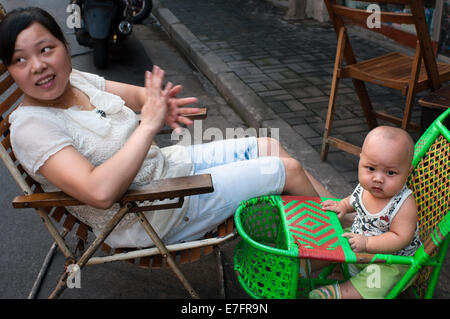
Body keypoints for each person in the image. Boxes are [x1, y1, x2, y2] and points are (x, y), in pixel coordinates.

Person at [0, 7, 333, 249]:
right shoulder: (32, 128)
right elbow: (99, 193)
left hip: (170, 171)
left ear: (65, 46)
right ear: (11, 70)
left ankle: (350, 219)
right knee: (285, 170)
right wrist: (148, 126)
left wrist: (160, 103)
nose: (39, 66)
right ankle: (334, 256)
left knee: (267, 146)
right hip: (151, 211)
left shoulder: (77, 80)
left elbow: (136, 95)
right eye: (20, 60)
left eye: (46, 49)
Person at [309, 126, 422, 299]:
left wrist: (368, 243)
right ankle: (306, 266)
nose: (378, 178)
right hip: (358, 243)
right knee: (333, 239)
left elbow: (400, 237)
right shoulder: (366, 188)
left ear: (407, 173)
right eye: (370, 168)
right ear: (361, 161)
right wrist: (343, 206)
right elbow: (353, 200)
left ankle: (342, 293)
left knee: (377, 279)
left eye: (390, 172)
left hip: (390, 260)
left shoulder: (404, 204)